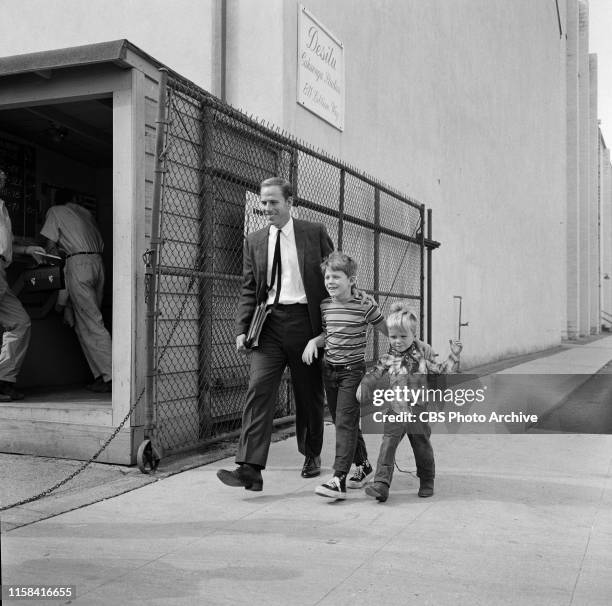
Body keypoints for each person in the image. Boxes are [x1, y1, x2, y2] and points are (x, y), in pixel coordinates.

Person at [217, 177, 333, 491]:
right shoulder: (254, 240)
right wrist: (242, 328)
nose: (266, 208)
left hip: (304, 323)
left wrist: (330, 326)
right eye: (263, 202)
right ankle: (250, 468)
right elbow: (249, 288)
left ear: (289, 202)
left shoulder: (314, 232)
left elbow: (333, 275)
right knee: (258, 390)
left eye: (273, 202)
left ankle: (311, 454)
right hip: (267, 324)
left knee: (308, 395)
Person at [302, 251, 388, 500]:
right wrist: (313, 342)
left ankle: (338, 478)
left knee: (344, 421)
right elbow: (329, 336)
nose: (330, 281)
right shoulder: (325, 305)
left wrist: (411, 349)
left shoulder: (365, 305)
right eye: (327, 276)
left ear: (351, 280)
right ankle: (363, 466)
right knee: (345, 421)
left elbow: (389, 332)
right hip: (329, 370)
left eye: (336, 276)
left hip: (353, 372)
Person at [360, 303, 462, 502]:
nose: (397, 341)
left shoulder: (420, 358)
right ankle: (381, 484)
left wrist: (454, 354)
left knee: (421, 444)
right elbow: (374, 374)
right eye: (393, 337)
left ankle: (427, 479)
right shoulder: (388, 358)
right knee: (388, 444)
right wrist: (364, 385)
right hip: (396, 409)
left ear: (414, 336)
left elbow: (441, 369)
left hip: (417, 410)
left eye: (403, 336)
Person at [40, 188, 112, 393]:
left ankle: (113, 376)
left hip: (78, 264)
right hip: (98, 264)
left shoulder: (55, 211)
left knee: (91, 323)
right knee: (84, 323)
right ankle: (101, 376)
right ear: (74, 200)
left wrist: (50, 255)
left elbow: (50, 246)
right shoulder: (86, 213)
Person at [0, 168, 46, 400]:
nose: (4, 178)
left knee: (20, 322)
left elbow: (6, 244)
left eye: (3, 176)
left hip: (1, 272)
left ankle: (3, 380)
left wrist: (27, 249)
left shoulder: (2, 208)